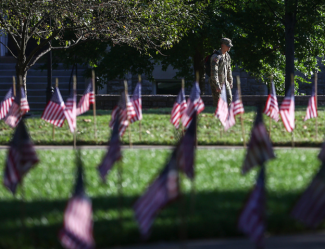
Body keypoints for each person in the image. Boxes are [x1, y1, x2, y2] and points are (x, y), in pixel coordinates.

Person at [209, 38, 233, 106]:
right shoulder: (216, 57)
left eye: (230, 45)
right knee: (218, 103)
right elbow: (214, 72)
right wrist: (217, 85)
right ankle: (217, 116)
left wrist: (230, 81)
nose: (229, 47)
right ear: (222, 45)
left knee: (229, 99)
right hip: (216, 82)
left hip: (225, 82)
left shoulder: (227, 56)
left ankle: (227, 115)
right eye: (227, 45)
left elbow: (229, 69)